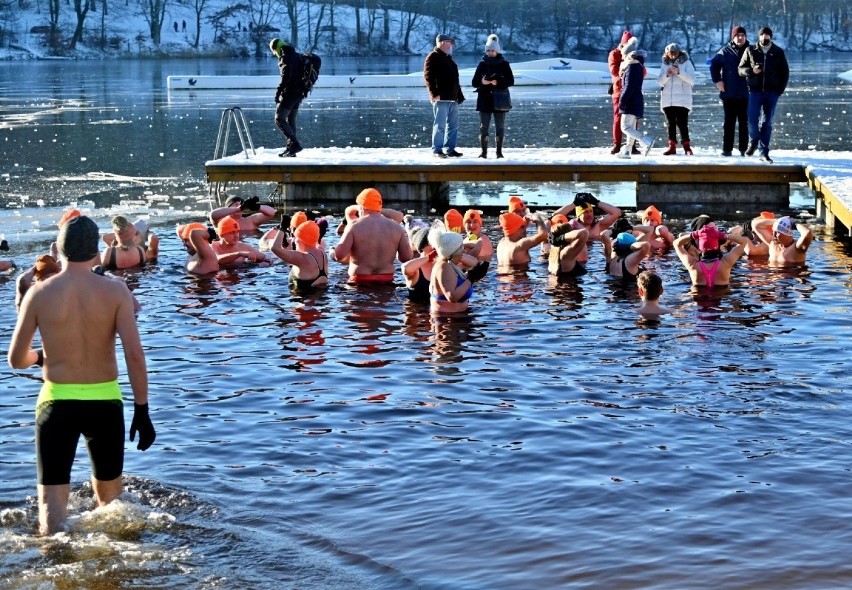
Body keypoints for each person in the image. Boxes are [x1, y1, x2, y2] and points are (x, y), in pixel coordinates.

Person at [7, 215, 155, 535]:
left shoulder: (39, 293)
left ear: (59, 250)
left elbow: (17, 360)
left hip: (56, 403)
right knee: (112, 508)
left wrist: (43, 357)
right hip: (105, 404)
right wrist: (142, 410)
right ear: (96, 254)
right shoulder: (116, 291)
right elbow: (134, 355)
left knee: (52, 519)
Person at [332, 187, 413, 284]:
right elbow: (406, 258)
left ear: (361, 207)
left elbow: (339, 256)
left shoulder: (354, 226)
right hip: (387, 281)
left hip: (359, 281)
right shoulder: (396, 227)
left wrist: (332, 252)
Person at [738, 27, 790, 163]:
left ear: (771, 37)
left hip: (772, 92)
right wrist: (751, 71)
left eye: (767, 35)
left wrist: (780, 90)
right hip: (755, 91)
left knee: (767, 123)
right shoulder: (750, 50)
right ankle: (754, 141)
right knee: (752, 120)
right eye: (762, 35)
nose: (764, 37)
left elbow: (785, 73)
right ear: (759, 36)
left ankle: (763, 152)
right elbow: (740, 70)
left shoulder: (778, 52)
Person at [471, 34, 514, 159]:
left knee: (500, 127)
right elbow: (474, 82)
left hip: (500, 99)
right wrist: (482, 82)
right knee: (484, 126)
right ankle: (483, 153)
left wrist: (498, 82)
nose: (490, 52)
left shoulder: (504, 64)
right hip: (485, 99)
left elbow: (511, 81)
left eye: (492, 50)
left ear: (497, 50)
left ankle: (499, 153)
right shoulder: (482, 64)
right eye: (488, 50)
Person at [710, 26, 751, 156]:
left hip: (746, 93)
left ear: (745, 37)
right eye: (737, 35)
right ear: (733, 37)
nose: (740, 38)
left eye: (742, 35)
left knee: (744, 122)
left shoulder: (752, 50)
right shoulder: (725, 51)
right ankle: (727, 150)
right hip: (729, 93)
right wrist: (718, 81)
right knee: (729, 123)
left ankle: (743, 150)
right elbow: (714, 66)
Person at [424, 34, 465, 158]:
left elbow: (455, 80)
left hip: (453, 98)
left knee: (453, 126)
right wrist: (434, 94)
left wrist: (459, 95)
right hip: (440, 99)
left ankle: (450, 149)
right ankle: (437, 150)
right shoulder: (433, 57)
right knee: (440, 125)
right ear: (442, 43)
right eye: (449, 42)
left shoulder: (449, 59)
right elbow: (428, 77)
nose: (451, 45)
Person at [428, 228, 488, 314]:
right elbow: (452, 296)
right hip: (448, 321)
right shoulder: (444, 267)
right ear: (452, 252)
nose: (463, 250)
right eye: (460, 247)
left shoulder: (448, 264)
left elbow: (454, 283)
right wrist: (471, 278)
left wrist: (475, 273)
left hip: (458, 318)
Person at [552, 192, 622, 265]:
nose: (589, 215)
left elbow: (617, 212)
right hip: (578, 259)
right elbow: (554, 217)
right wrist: (574, 204)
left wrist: (596, 202)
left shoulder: (599, 225)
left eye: (591, 211)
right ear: (578, 215)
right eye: (585, 212)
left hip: (597, 258)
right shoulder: (572, 226)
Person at [674, 224, 748, 287]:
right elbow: (744, 241)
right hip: (720, 299)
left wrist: (695, 234)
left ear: (700, 247)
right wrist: (722, 235)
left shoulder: (693, 265)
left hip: (699, 300)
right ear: (717, 244)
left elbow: (676, 244)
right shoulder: (726, 262)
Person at [618, 42, 655, 159]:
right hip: (637, 99)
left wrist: (622, 101)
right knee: (631, 127)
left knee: (625, 127)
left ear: (629, 55)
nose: (622, 57)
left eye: (624, 55)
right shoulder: (638, 66)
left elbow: (628, 87)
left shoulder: (632, 67)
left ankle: (646, 140)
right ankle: (627, 151)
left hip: (631, 101)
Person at [657, 42, 695, 155]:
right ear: (667, 53)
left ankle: (686, 146)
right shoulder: (664, 64)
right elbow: (660, 82)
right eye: (670, 53)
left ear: (679, 53)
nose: (673, 55)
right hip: (668, 99)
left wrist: (679, 72)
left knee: (682, 123)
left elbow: (691, 80)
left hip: (683, 100)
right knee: (670, 123)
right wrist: (667, 75)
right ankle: (671, 146)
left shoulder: (687, 63)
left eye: (675, 53)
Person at [270, 38, 305, 157]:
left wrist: (278, 92)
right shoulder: (296, 55)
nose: (275, 54)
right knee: (291, 120)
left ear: (276, 48)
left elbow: (286, 77)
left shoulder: (286, 57)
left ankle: (294, 144)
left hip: (290, 93)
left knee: (279, 119)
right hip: (299, 92)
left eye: (274, 51)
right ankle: (291, 149)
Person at [270, 220, 328, 290]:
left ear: (301, 239)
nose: (294, 241)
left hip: (304, 298)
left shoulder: (302, 258)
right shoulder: (322, 252)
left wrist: (282, 229)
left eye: (296, 237)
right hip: (323, 297)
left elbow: (274, 248)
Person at [608, 31, 638, 155]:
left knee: (634, 119)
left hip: (633, 90)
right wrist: (627, 64)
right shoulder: (614, 54)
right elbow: (615, 71)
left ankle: (632, 145)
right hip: (619, 91)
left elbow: (642, 71)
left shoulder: (636, 55)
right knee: (618, 118)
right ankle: (617, 144)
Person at [402, 228, 437, 303]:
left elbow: (467, 265)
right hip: (416, 310)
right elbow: (405, 268)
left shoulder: (441, 264)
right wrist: (428, 257)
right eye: (430, 244)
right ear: (421, 246)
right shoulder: (416, 268)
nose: (434, 247)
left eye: (436, 244)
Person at [210, 194, 276, 233]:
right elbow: (213, 214)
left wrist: (257, 207)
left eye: (241, 204)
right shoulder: (221, 221)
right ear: (228, 207)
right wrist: (238, 209)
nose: (240, 206)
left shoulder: (250, 221)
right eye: (236, 204)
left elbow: (272, 213)